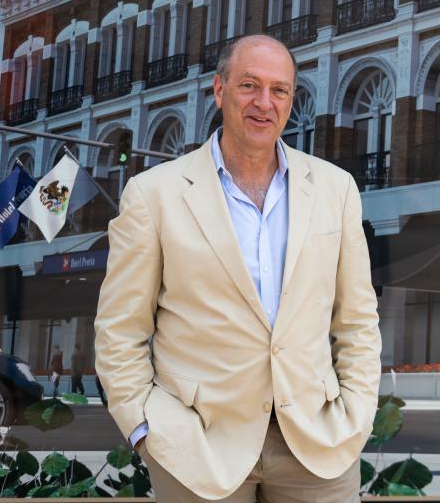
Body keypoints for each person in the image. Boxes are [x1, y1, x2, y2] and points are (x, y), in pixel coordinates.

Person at [94, 35, 382, 502]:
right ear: (219, 89)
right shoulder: (154, 195)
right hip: (199, 447)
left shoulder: (336, 188)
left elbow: (357, 319)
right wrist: (144, 428)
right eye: (249, 85)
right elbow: (119, 329)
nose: (264, 103)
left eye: (279, 90)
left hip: (319, 444)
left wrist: (357, 412)